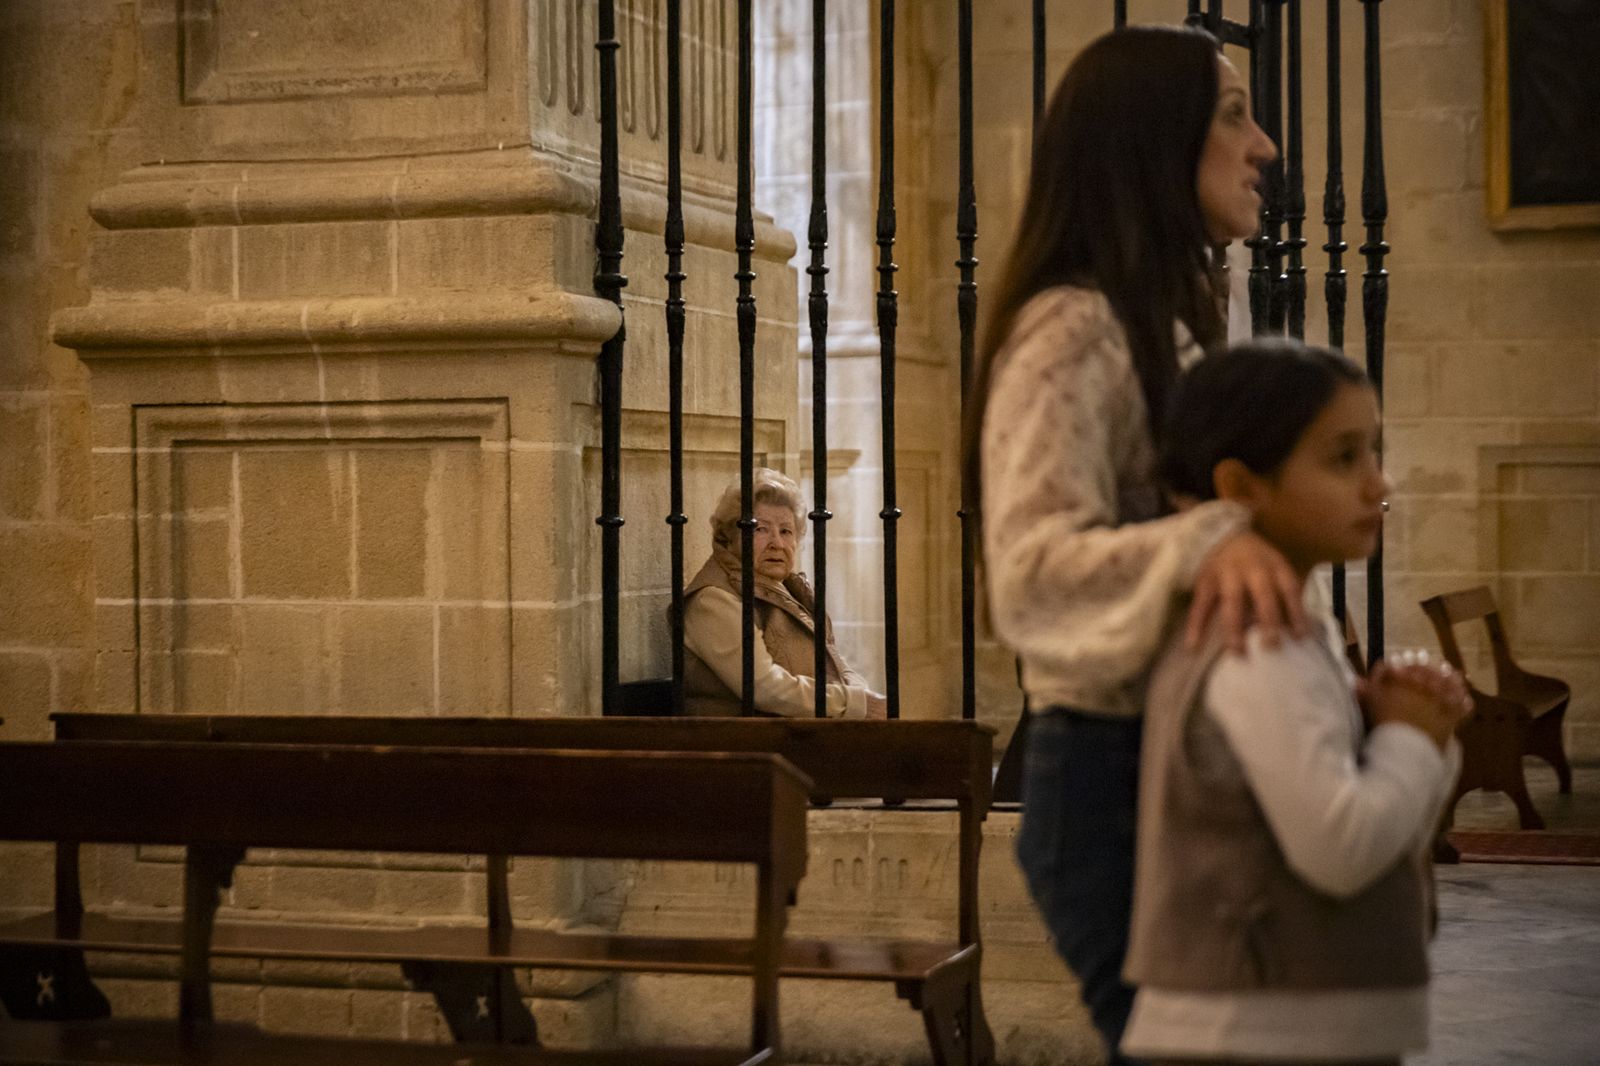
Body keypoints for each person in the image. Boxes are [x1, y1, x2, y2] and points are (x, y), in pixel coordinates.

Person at [963, 26, 1295, 1065]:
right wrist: (1213, 536)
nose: (1266, 146)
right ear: (1153, 141)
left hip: (1165, 771)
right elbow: (1027, 572)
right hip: (1105, 789)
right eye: (1234, 114)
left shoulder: (1162, 319)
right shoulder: (1073, 328)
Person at [1121, 340, 1468, 1066]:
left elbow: (1381, 837)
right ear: (1244, 486)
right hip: (1261, 1028)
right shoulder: (1257, 640)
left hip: (1284, 1021)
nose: (1379, 484)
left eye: (1374, 452)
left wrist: (1405, 734)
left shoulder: (1289, 623)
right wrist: (1413, 740)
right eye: (1344, 458)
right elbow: (1339, 850)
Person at [681, 467, 887, 719]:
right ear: (729, 538)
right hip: (748, 747)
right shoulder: (713, 600)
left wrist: (861, 694)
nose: (776, 543)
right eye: (761, 529)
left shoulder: (788, 589)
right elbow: (764, 686)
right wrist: (853, 703)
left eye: (786, 531)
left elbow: (835, 661)